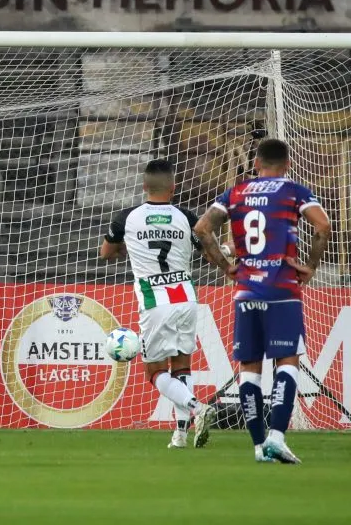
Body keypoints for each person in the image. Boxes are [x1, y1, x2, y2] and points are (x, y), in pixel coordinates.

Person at [194, 138, 330, 464]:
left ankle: (258, 447)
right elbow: (323, 225)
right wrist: (310, 266)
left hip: (246, 293)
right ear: (288, 164)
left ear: (256, 163)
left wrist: (227, 267)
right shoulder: (293, 191)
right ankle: (277, 437)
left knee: (249, 370)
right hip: (282, 291)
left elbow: (202, 228)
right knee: (287, 363)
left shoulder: (236, 193)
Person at [100, 159, 215, 450]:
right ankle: (180, 435)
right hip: (186, 298)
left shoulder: (127, 218)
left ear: (143, 186)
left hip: (155, 301)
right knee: (181, 365)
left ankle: (198, 408)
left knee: (154, 371)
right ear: (173, 187)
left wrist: (131, 243)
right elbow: (208, 251)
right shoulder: (188, 217)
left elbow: (106, 253)